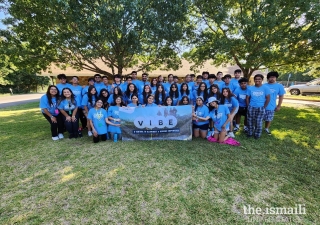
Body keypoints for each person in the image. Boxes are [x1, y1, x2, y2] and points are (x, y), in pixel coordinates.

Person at [246, 74, 271, 139]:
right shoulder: (250, 88)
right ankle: (250, 133)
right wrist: (248, 106)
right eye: (256, 79)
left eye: (259, 79)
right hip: (251, 106)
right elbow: (247, 98)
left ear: (262, 80)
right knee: (250, 120)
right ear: (254, 80)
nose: (257, 80)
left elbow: (268, 98)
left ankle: (257, 134)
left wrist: (264, 106)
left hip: (261, 107)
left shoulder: (265, 88)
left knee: (258, 121)